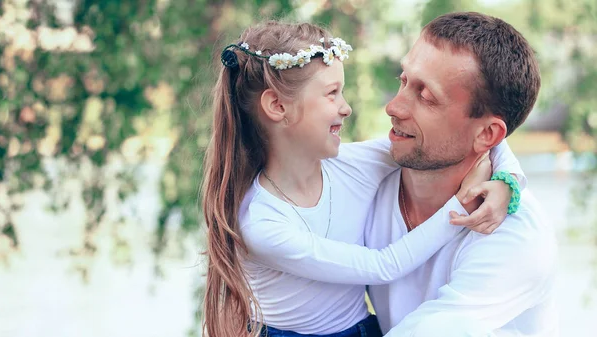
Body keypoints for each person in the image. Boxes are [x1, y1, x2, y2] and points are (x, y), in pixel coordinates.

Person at [201, 21, 526, 337]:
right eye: (332, 94)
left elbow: (462, 135)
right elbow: (384, 266)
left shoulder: (353, 165)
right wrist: (462, 203)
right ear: (277, 106)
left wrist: (507, 177)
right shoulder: (263, 223)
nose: (347, 108)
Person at [365, 12, 558, 336]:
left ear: (487, 135)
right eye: (403, 81)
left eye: (426, 96)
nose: (394, 107)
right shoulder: (369, 180)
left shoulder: (514, 237)